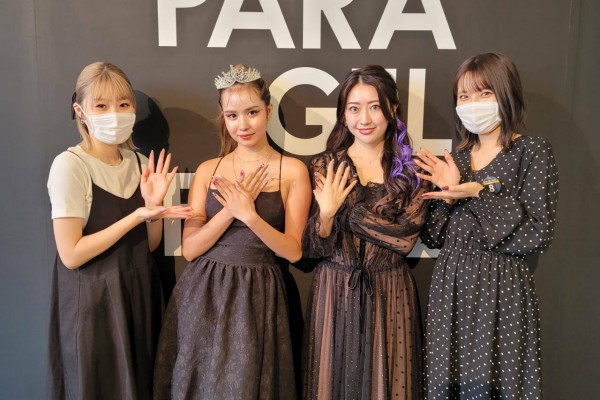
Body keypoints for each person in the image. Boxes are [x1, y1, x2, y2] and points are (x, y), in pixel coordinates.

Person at [153, 64, 312, 400]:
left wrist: (249, 215)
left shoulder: (292, 170)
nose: (243, 125)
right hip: (205, 292)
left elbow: (293, 251)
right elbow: (191, 249)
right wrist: (230, 211)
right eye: (232, 115)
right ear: (223, 118)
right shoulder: (209, 169)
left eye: (252, 112)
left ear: (268, 111)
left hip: (261, 293)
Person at [415, 53, 559, 399]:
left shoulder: (531, 151)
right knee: (448, 384)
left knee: (501, 385)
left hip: (503, 289)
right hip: (450, 289)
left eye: (484, 93)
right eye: (464, 96)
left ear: (505, 94)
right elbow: (433, 237)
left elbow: (536, 234)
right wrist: (448, 195)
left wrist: (477, 193)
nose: (473, 104)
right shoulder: (456, 159)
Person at [47, 62, 191, 400]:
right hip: (93, 304)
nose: (114, 113)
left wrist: (153, 210)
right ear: (80, 111)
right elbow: (71, 254)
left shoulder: (141, 164)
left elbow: (150, 245)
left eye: (123, 104)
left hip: (139, 295)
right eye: (101, 105)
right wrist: (137, 215)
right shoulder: (70, 165)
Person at [301, 65, 430, 400]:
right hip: (335, 289)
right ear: (343, 115)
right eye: (354, 109)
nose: (365, 119)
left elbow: (404, 238)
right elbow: (313, 248)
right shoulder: (325, 165)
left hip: (390, 291)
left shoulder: (413, 170)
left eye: (375, 107)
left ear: (392, 109)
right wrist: (326, 215)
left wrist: (347, 211)